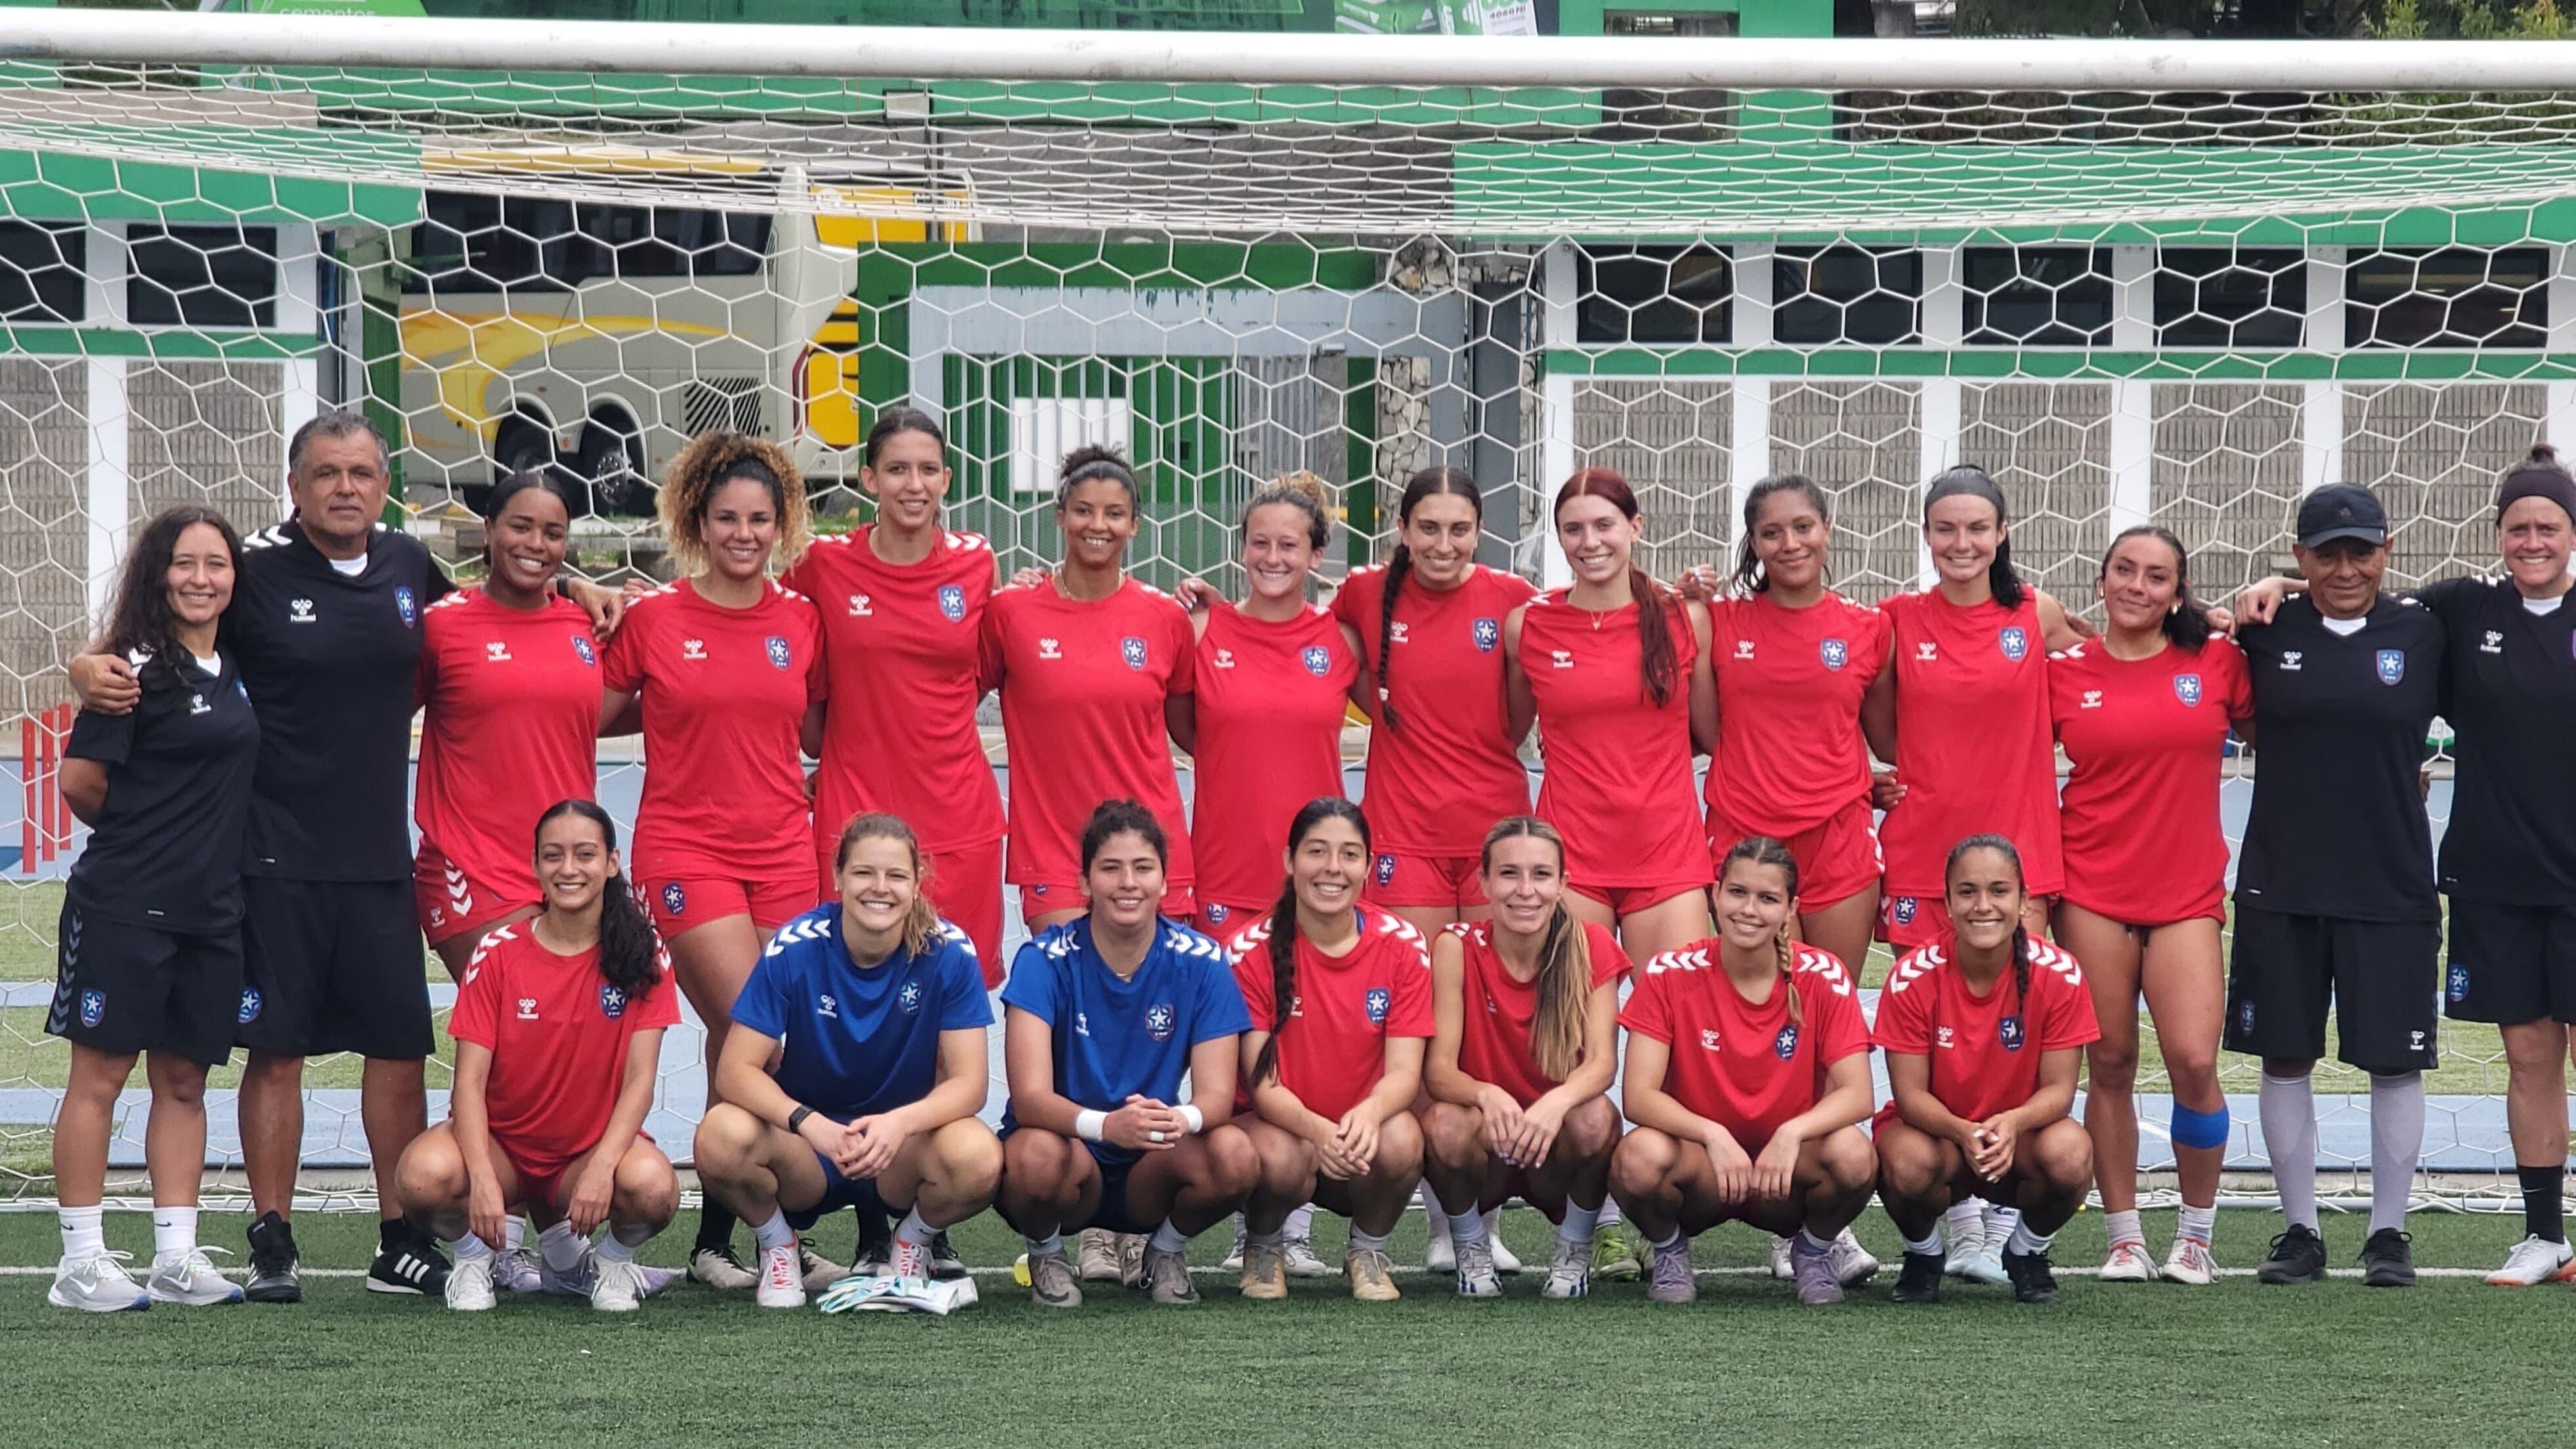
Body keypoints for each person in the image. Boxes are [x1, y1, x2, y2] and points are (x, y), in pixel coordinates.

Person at [66, 410, 626, 1303]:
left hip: (378, 857)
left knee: (397, 1048)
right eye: (327, 472)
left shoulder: (406, 563)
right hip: (268, 858)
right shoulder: (253, 566)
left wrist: (580, 582)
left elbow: (503, 583)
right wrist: (85, 662)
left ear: (385, 484)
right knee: (277, 1050)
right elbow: (168, 616)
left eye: (362, 472)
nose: (345, 487)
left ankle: (400, 1238)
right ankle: (272, 1236)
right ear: (295, 485)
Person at [600, 431, 826, 1291]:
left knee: (774, 1044)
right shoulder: (654, 617)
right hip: (688, 852)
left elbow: (820, 730)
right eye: (727, 517)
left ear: (781, 524)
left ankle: (725, 1237)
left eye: (759, 519)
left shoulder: (801, 620)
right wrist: (584, 602)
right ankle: (757, 1237)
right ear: (698, 522)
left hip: (786, 851)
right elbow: (584, 708)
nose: (744, 533)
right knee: (752, 1038)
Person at [2220, 482, 2450, 1289]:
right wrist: (2265, 589)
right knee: (2284, 1055)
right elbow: (2186, 624)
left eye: (2361, 551)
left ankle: (2389, 1232)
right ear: (2300, 555)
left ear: (2388, 551)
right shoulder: (2262, 630)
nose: (2345, 568)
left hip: (2391, 880)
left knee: (2395, 1061)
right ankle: (2300, 1230)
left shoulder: (2426, 631)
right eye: (2326, 554)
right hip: (2282, 879)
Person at [1327, 466, 1539, 1275]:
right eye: (1428, 527)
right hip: (1404, 837)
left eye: (1459, 529)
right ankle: (1445, 1219)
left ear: (1480, 531)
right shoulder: (1362, 594)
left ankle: (1481, 1214)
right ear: (1402, 528)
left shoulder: (1512, 599)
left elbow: (1528, 705)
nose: (1444, 544)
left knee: (1485, 1025)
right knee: (1419, 1026)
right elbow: (1296, 636)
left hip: (1495, 838)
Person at [47, 506, 257, 1311]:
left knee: (184, 1081)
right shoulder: (128, 668)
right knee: (99, 1075)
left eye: (216, 563)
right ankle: (80, 1262)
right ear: (156, 573)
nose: (201, 578)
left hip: (212, 911)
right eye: (184, 562)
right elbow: (79, 783)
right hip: (124, 905)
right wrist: (150, 841)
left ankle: (175, 1255)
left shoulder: (238, 664)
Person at [2047, 527, 2251, 1286]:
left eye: (2156, 575)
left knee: (2194, 1060)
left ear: (2178, 591)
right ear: (2102, 580)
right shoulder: (2063, 671)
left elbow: (2293, 727)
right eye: (2125, 570)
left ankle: (2196, 1235)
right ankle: (2124, 1236)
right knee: (2110, 1061)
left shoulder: (2217, 659)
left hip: (2186, 893)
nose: (2138, 585)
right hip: (2091, 889)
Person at [692, 813, 1002, 1307]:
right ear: (838, 877)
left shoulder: (950, 951)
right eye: (863, 873)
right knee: (720, 1135)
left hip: (900, 1150)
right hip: (810, 1150)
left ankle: (910, 1244)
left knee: (978, 1155)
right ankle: (778, 1246)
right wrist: (809, 1123)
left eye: (896, 875)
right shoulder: (795, 947)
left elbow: (970, 1085)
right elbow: (735, 1071)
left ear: (917, 882)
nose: (880, 888)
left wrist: (899, 1124)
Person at [393, 800, 681, 1313]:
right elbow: (469, 1081)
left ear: (612, 862)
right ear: (535, 865)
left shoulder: (644, 951)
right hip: (503, 1149)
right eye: (554, 855)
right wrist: (483, 1177)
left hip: (585, 1152)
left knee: (654, 1189)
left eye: (585, 854)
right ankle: (472, 1259)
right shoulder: (497, 952)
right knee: (420, 1177)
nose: (569, 868)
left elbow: (641, 1079)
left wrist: (603, 1166)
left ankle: (609, 1264)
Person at [1184, 474, 1365, 1280]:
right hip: (1225, 872)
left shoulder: (1341, 640)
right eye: (1259, 542)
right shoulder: (1202, 629)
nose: (1273, 556)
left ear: (1317, 554)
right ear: (1241, 548)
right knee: (1236, 1057)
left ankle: (1293, 1225)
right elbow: (1184, 726)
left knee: (1307, 1047)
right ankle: (1246, 1220)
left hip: (1317, 883)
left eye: (1290, 544)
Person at [995, 800, 1259, 1307]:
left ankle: (1165, 1250)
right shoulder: (1044, 958)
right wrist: (1107, 1126)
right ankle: (1047, 1252)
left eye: (1143, 867)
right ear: (1085, 881)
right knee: (1033, 1155)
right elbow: (1029, 1099)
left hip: (1150, 1160)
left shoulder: (1202, 959)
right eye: (1111, 868)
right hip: (1072, 1152)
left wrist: (1177, 1119)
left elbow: (1217, 1096)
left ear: (1165, 880)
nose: (1128, 883)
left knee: (1235, 1155)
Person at [783, 408, 1006, 982]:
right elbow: (769, 645)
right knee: (849, 990)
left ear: (947, 479)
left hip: (958, 814)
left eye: (928, 470)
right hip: (854, 810)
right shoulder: (823, 564)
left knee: (953, 996)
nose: (914, 484)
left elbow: (983, 666)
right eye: (898, 469)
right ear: (869, 478)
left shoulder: (977, 561)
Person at [1610, 837, 1878, 1307]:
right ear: (1715, 895)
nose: (1748, 910)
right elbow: (1639, 1095)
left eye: (1767, 898)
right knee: (1638, 1158)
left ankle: (1813, 1250)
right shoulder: (1670, 971)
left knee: (1854, 1154)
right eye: (1737, 892)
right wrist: (1712, 1134)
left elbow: (1858, 1094)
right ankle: (1669, 1249)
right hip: (1704, 1171)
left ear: (1791, 909)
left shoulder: (1823, 974)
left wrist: (1792, 1133)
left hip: (1785, 1173)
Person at [1864, 465, 2084, 951]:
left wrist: (2198, 620)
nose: (1962, 543)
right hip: (1922, 850)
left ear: (2002, 533)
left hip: (2019, 849)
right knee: (1923, 999)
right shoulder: (1895, 619)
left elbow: (2118, 666)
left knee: (2012, 996)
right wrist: (1861, 783)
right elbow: (1883, 738)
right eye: (1946, 529)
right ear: (1926, 534)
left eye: (1978, 528)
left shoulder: (2036, 612)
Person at [1873, 834, 2099, 1306]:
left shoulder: (2060, 973)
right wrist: (1962, 1130)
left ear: (2024, 900)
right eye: (1967, 891)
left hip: (2020, 1141)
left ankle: (2026, 1252)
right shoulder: (1912, 976)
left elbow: (2060, 1090)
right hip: (1941, 1138)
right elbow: (1910, 1096)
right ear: (1947, 902)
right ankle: (1924, 1254)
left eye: (1999, 891)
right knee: (1904, 1161)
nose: (1983, 906)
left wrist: (2013, 1123)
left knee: (2071, 1154)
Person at [981, 446, 1197, 939]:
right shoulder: (1012, 613)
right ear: (1060, 517)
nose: (1097, 525)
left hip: (1150, 850)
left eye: (1114, 513)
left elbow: (1196, 733)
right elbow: (948, 700)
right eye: (1083, 510)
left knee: (1151, 991)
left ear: (1135, 525)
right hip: (1056, 854)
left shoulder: (1166, 619)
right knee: (1073, 984)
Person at [1504, 467, 1715, 966]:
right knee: (1574, 1012)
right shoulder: (1528, 626)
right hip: (1571, 858)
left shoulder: (1687, 619)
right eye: (1573, 529)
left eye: (1604, 525)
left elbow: (1712, 734)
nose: (1590, 542)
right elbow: (1507, 733)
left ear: (1635, 527)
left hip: (1667, 855)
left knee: (1673, 1008)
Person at [1224, 799, 1430, 1303]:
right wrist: (1318, 1131)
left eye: (1350, 854)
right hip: (1285, 1133)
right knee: (1278, 1153)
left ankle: (1368, 1251)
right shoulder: (1247, 950)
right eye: (1317, 851)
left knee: (1403, 1136)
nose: (1333, 868)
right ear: (1290, 860)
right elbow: (1262, 1086)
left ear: (1368, 866)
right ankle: (1263, 1244)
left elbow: (1405, 1073)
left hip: (1360, 1138)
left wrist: (1368, 1114)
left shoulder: (1403, 944)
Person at [1421, 817, 1628, 1299]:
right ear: (1484, 882)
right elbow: (1439, 1071)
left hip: (1554, 1146)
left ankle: (1574, 1248)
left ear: (1563, 884)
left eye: (1541, 875)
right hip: (1489, 1141)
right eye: (1509, 873)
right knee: (1443, 1123)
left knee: (1596, 1117)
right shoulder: (1455, 946)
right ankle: (1470, 1245)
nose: (1525, 890)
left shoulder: (1591, 943)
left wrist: (1556, 1103)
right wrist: (1485, 1093)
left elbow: (1602, 1063)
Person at [1694, 475, 1892, 974]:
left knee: (1829, 994)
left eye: (1803, 527)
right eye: (1772, 532)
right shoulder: (1717, 620)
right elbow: (1706, 733)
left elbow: (1888, 739)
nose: (1790, 544)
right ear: (1754, 543)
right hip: (1744, 830)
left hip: (1838, 836)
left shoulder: (1869, 628)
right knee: (1763, 996)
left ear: (1827, 529)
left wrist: (1867, 781)